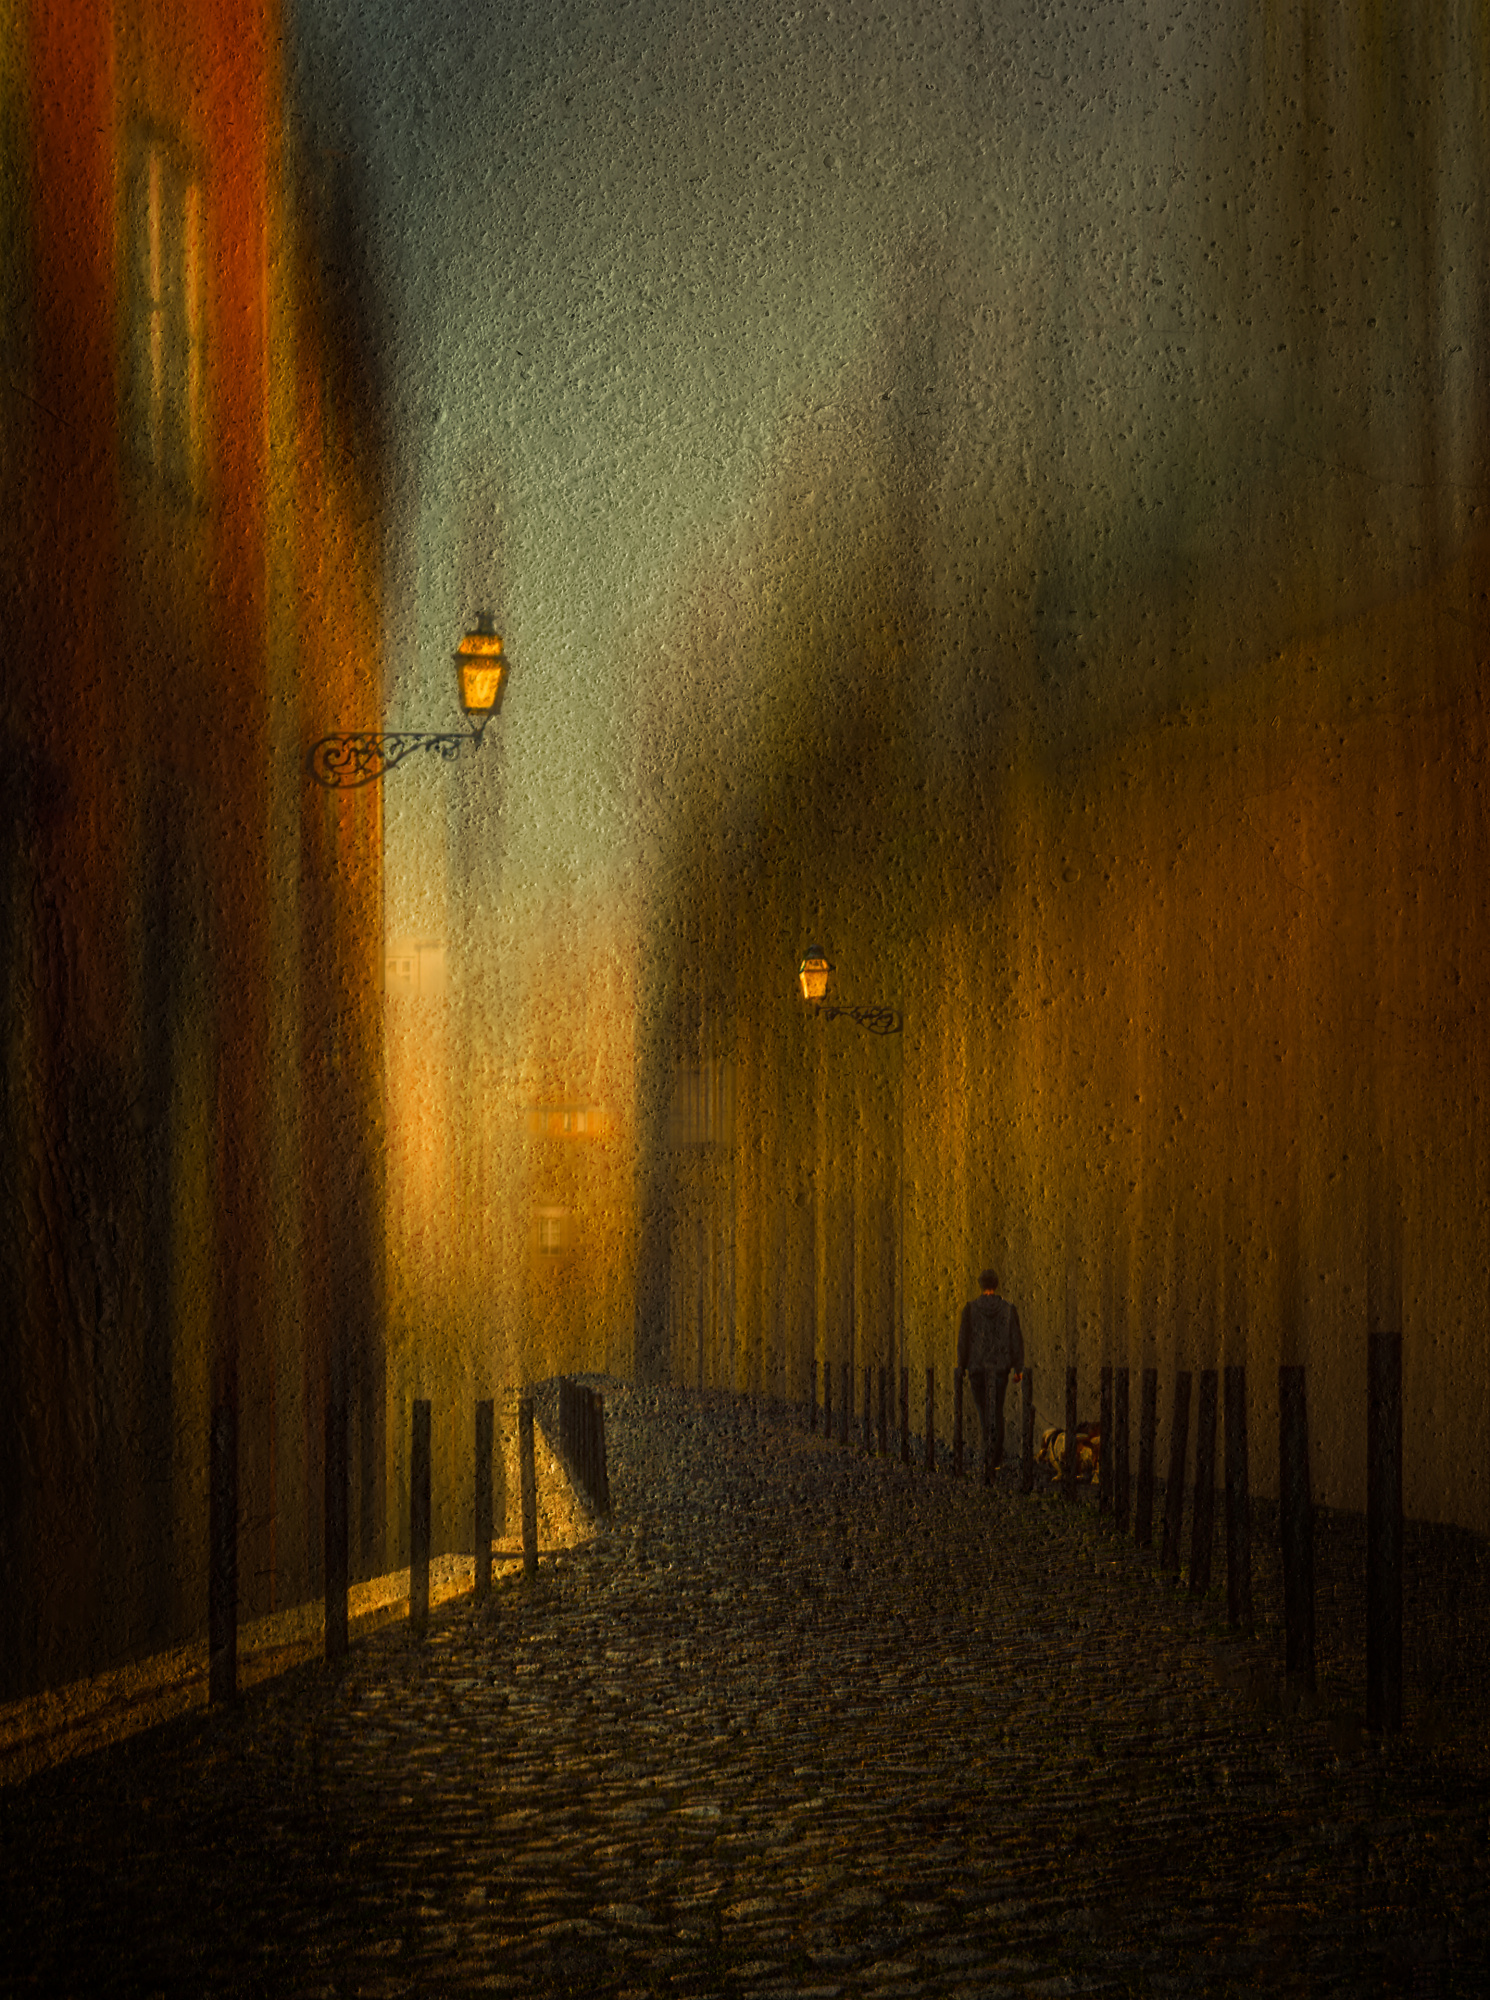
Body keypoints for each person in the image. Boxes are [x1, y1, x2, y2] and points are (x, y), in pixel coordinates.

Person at [956, 1269, 1024, 1469]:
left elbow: (964, 1339)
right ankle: (995, 1458)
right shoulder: (1008, 1309)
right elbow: (1016, 1339)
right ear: (996, 1285)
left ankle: (988, 1452)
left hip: (977, 1368)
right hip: (1000, 1368)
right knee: (997, 1410)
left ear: (981, 1285)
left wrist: (961, 1365)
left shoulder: (970, 1309)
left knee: (984, 1412)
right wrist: (1018, 1368)